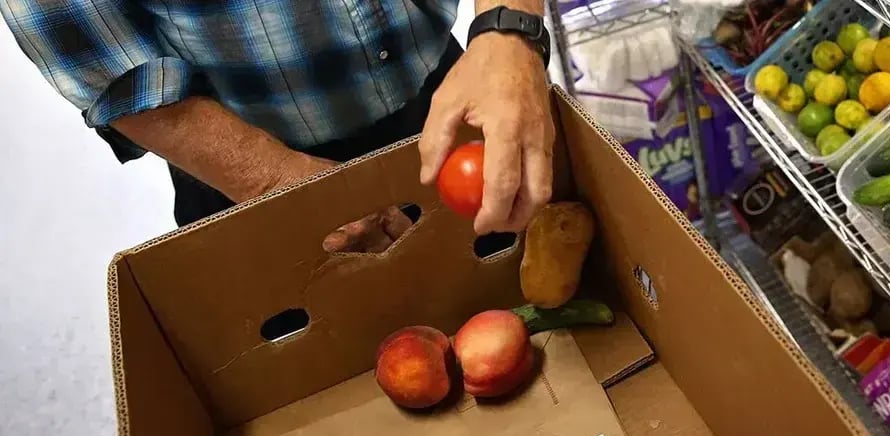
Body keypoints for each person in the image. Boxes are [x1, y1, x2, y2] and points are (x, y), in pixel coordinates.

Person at [1, 0, 555, 252]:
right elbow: (90, 50)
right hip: (239, 168)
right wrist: (268, 180)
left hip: (453, 96)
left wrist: (509, 29)